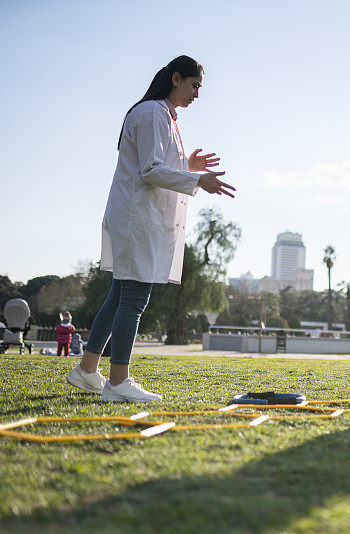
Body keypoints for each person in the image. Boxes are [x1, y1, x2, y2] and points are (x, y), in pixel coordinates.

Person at [66, 55, 235, 403]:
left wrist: (188, 165)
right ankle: (118, 381)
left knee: (118, 297)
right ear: (176, 78)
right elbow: (150, 170)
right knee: (134, 299)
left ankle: (86, 371)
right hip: (137, 217)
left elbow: (155, 164)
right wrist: (197, 179)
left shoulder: (161, 115)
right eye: (195, 86)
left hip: (138, 216)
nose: (197, 95)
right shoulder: (153, 112)